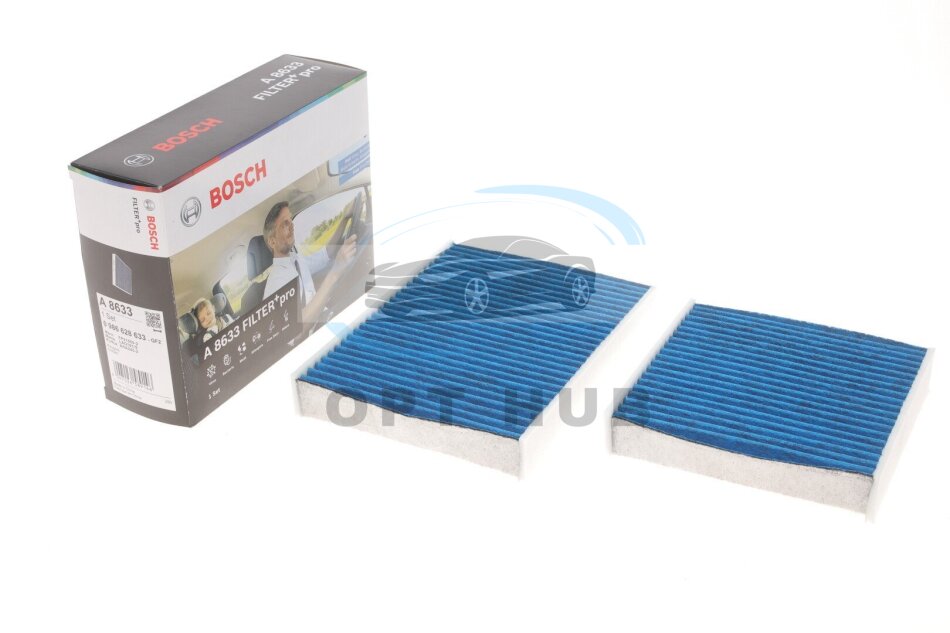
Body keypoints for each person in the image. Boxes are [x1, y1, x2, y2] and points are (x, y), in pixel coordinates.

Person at [261, 200, 358, 325]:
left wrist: (344, 219)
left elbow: (326, 254)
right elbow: (298, 326)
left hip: (323, 317)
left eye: (290, 220)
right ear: (272, 242)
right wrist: (335, 272)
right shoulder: (276, 282)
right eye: (285, 224)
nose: (292, 225)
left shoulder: (295, 260)